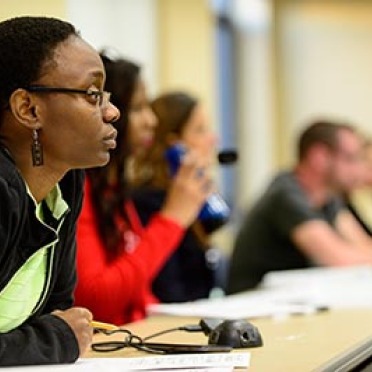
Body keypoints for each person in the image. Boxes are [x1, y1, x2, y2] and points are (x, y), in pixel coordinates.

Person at [0, 16, 120, 365]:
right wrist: (58, 340)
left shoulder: (65, 183)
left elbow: (58, 310)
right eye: (93, 94)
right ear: (28, 109)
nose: (112, 111)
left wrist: (58, 332)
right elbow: (61, 329)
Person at [74, 56, 211, 325]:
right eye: (138, 109)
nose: (151, 121)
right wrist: (171, 219)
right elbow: (96, 299)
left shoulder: (113, 189)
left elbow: (140, 293)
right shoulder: (82, 187)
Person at [227, 120, 372, 293]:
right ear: (320, 157)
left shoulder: (329, 198)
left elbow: (364, 247)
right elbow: (340, 260)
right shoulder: (285, 195)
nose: (358, 170)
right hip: (252, 305)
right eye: (350, 159)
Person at [131, 91, 229, 303]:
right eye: (200, 130)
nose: (213, 139)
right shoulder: (148, 202)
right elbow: (169, 290)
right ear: (175, 146)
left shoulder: (198, 202)